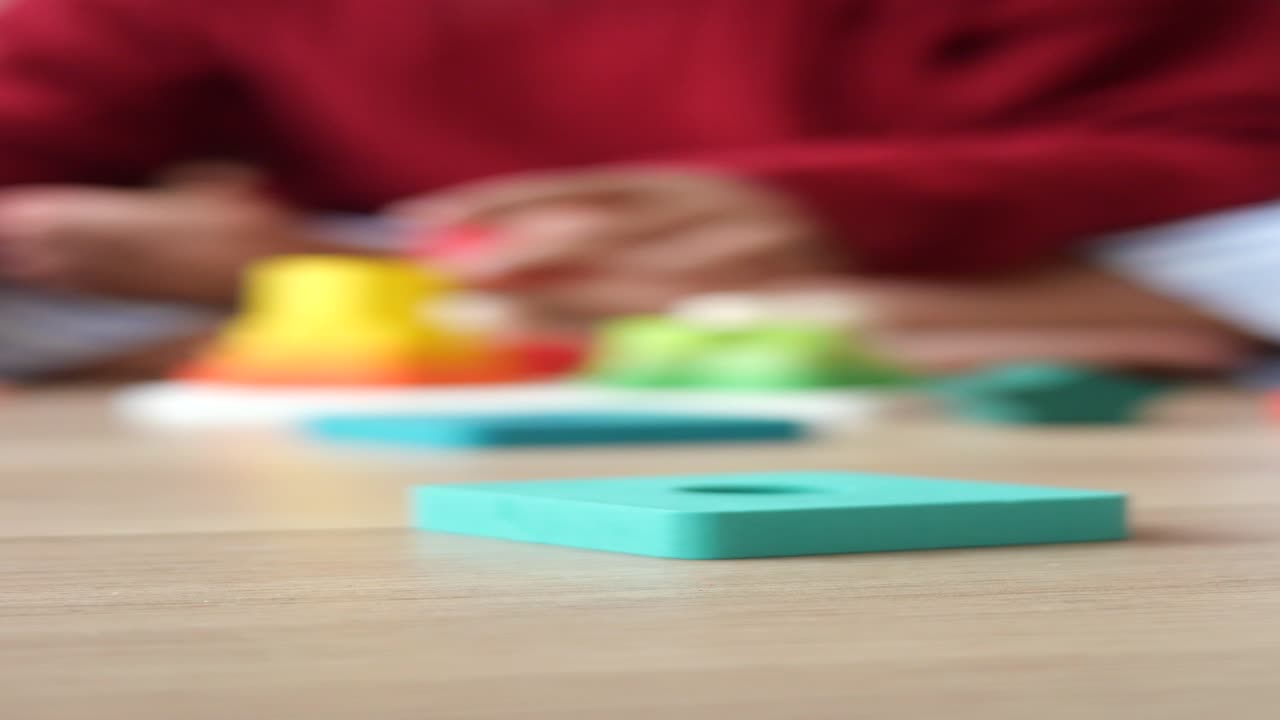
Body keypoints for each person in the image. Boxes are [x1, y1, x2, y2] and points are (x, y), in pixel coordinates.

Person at [1, 0, 1279, 378]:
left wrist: (846, 213)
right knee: (33, 300)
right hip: (398, 270)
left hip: (1065, 226)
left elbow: (1234, 118)